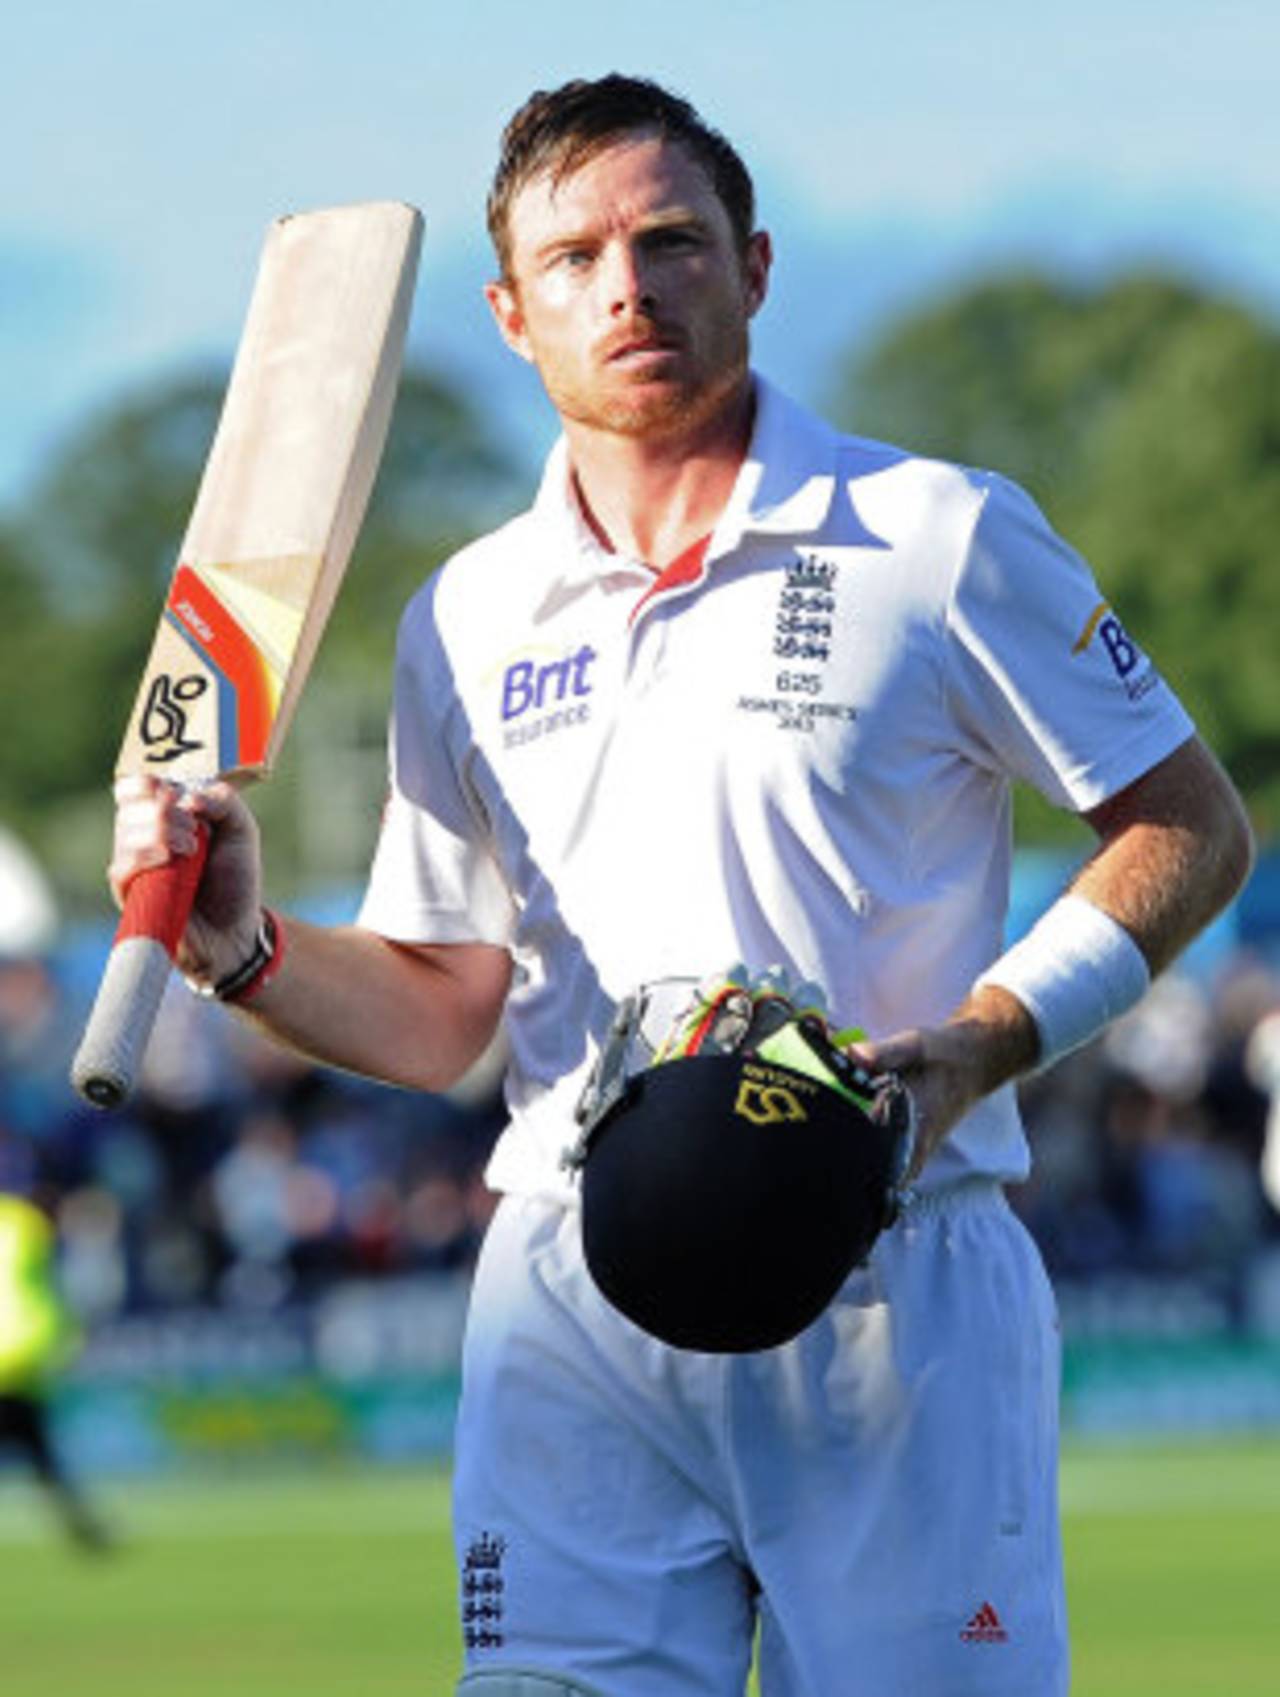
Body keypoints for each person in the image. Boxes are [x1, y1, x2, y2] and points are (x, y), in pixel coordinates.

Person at [109, 73, 1253, 1697]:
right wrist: (243, 948)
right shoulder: (465, 616)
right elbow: (447, 1016)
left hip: (888, 1268)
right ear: (511, 314)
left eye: (671, 240)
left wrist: (996, 1032)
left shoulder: (933, 536)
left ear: (757, 265)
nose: (627, 286)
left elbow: (1192, 822)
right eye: (574, 260)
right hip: (573, 1294)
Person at [0, 1192, 112, 1551]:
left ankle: (81, 1524)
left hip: (16, 1359)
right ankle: (81, 1524)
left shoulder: (21, 1224)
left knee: (38, 1447)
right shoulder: (26, 1226)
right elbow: (46, 1290)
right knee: (39, 1449)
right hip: (21, 1355)